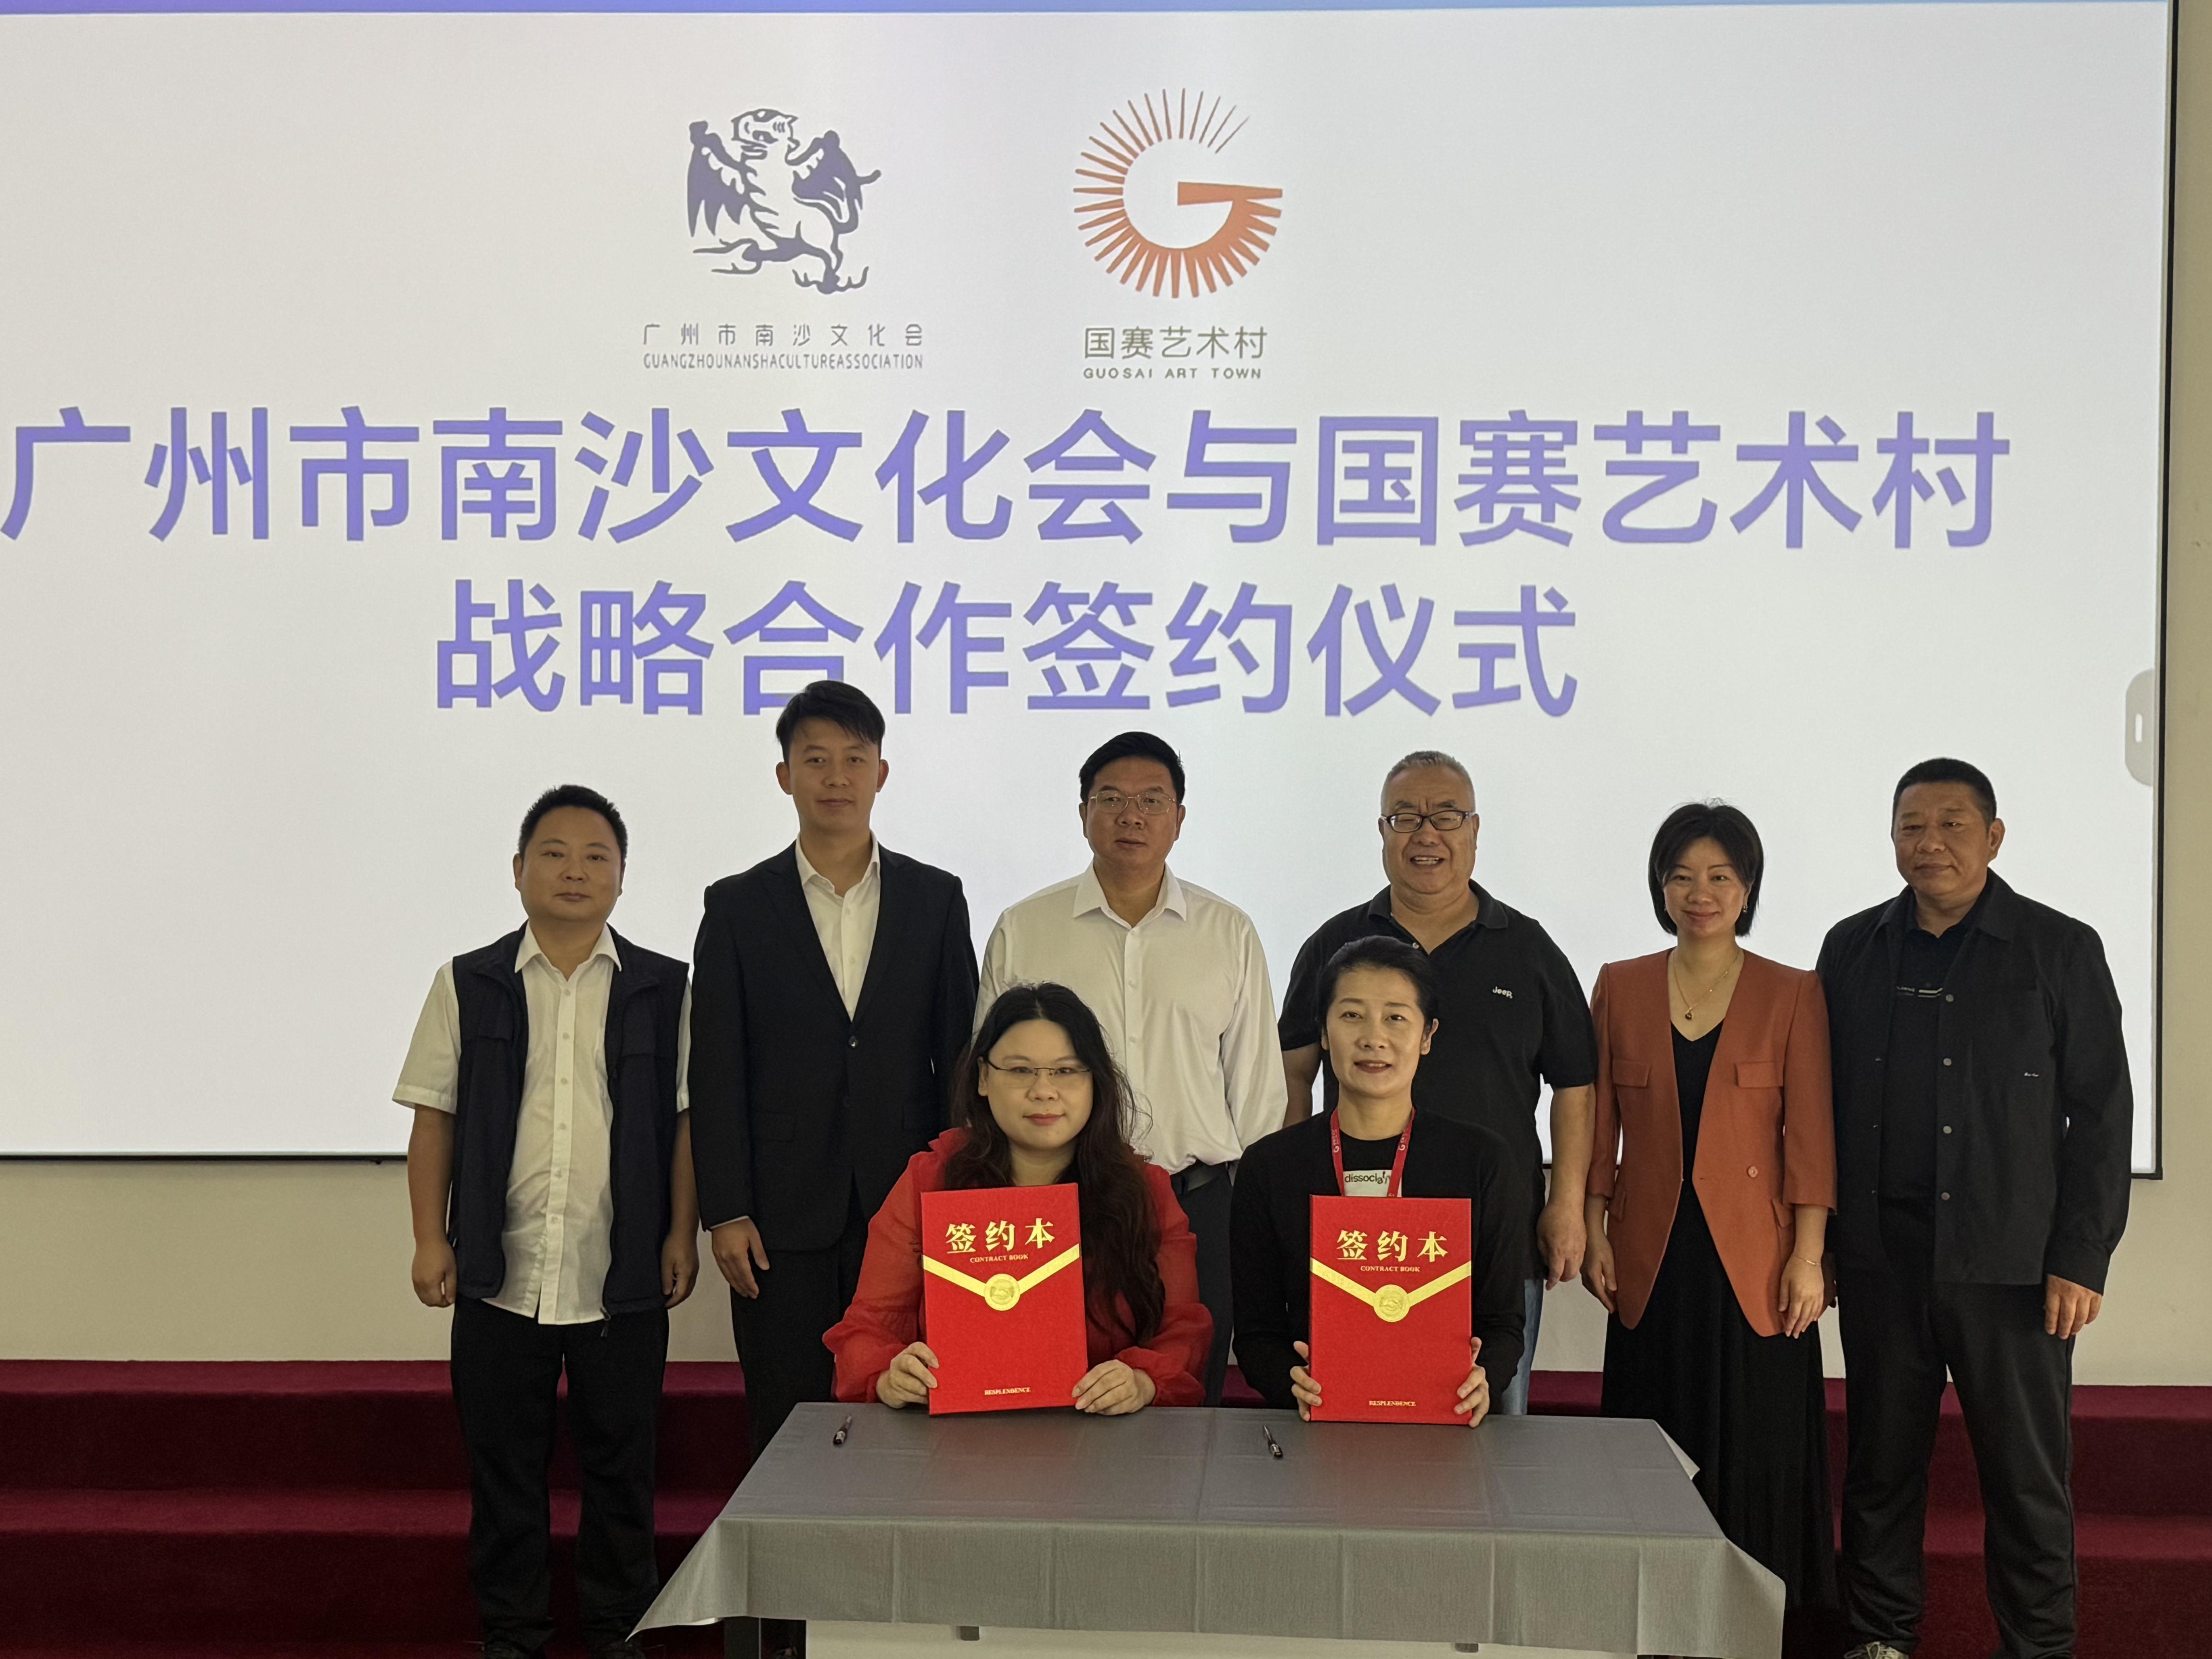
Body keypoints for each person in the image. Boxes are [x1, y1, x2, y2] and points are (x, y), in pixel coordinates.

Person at [1819, 759, 2132, 1659]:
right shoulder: (1851, 949)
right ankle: (1879, 1639)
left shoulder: (2058, 949)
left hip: (2012, 1266)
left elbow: (2102, 1112)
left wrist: (2081, 1254)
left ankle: (2037, 1648)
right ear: (1891, 839)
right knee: (1880, 1471)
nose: (1930, 844)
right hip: (1882, 1259)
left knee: (2025, 1480)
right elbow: (1820, 1103)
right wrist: (1822, 1241)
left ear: (1993, 837)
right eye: (1911, 827)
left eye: (1951, 825)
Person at [396, 785, 696, 1659]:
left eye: (597, 856)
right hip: (498, 1270)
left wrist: (680, 1233)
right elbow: (434, 1117)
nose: (575, 871)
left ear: (622, 877)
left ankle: (616, 1629)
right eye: (555, 853)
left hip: (621, 1271)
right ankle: (514, 1633)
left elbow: (687, 1123)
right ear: (518, 869)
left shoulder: (665, 987)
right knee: (504, 1471)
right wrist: (429, 1237)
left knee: (622, 1469)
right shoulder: (468, 981)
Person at [687, 680, 978, 1459]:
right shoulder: (737, 906)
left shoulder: (935, 899)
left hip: (909, 1198)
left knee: (910, 1408)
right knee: (788, 1410)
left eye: (854, 758)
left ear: (881, 772)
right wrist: (726, 1210)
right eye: (816, 759)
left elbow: (960, 1059)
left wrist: (961, 1194)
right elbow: (715, 1069)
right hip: (779, 1212)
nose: (837, 777)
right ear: (785, 775)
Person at [1582, 801, 1838, 1626]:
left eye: (1720, 876)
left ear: (1748, 888)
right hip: (1650, 1255)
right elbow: (1598, 1126)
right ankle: (1654, 1621)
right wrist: (1591, 1228)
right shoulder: (1620, 985)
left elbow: (1810, 1138)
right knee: (1652, 1446)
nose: (1700, 893)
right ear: (1659, 888)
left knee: (1756, 1446)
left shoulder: (1791, 991)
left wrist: (1809, 1256)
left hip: (1757, 1259)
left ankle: (1753, 1621)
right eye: (1682, 876)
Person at [1278, 750, 1595, 1415]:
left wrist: (1566, 1204)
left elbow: (1574, 1084)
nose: (1426, 834)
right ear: (1382, 832)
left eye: (1446, 816)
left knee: (1492, 1419)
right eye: (1406, 817)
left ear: (1475, 830)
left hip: (1494, 1230)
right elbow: (1293, 1073)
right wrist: (1287, 1191)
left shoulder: (1528, 948)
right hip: (1357, 1234)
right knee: (1348, 1421)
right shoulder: (1336, 943)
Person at [978, 730, 1284, 1404]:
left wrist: (1251, 1215)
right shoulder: (1026, 928)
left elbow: (1257, 1088)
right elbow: (993, 1077)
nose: (1131, 816)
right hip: (1061, 1205)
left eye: (1152, 801)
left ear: (1179, 817)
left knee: (1188, 1399)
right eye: (1111, 799)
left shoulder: (1227, 931)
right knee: (1054, 1395)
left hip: (1196, 1202)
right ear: (1083, 812)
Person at [826, 982, 1213, 1410]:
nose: (1043, 1091)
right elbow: (867, 1329)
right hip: (957, 1433)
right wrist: (889, 1375)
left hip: (1102, 1430)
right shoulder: (931, 1179)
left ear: (1096, 1081)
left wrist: (1142, 1381)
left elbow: (1183, 1329)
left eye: (1066, 1071)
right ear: (984, 1078)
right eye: (1021, 1070)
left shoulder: (1144, 1189)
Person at [1233, 935, 1526, 1425]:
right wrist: (1292, 1382)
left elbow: (1503, 1323)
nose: (1373, 1037)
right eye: (1352, 1015)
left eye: (1396, 1017)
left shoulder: (1481, 1161)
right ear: (1323, 1031)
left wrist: (1485, 1378)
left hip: (1446, 1425)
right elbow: (1257, 1333)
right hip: (1317, 1426)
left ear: (1427, 1035)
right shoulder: (1270, 1166)